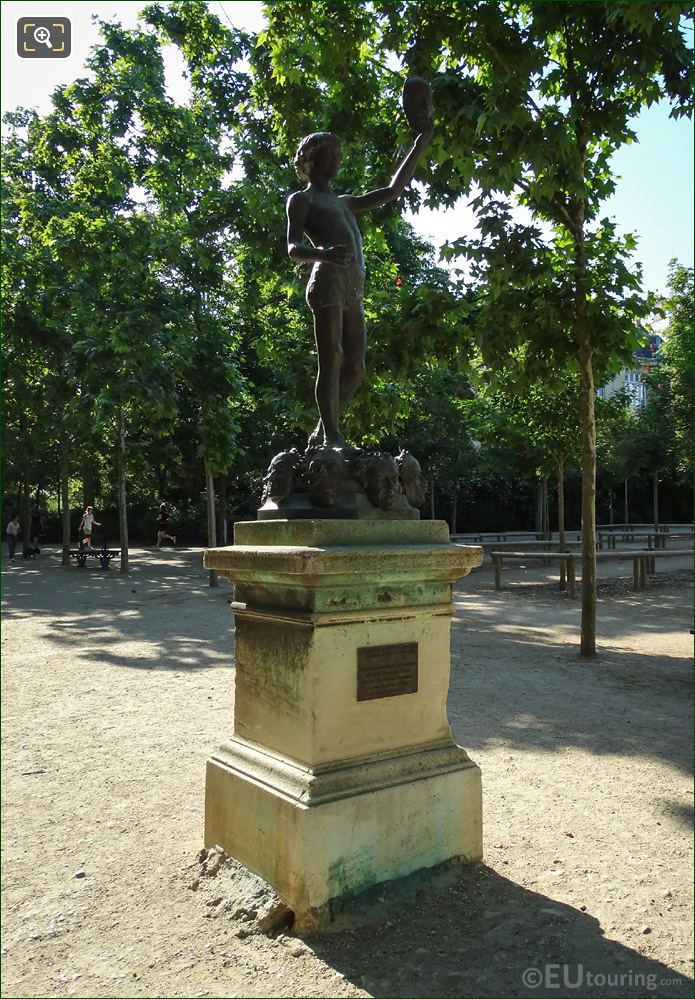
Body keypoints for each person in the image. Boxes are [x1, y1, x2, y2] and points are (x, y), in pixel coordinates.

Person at [287, 125, 433, 448]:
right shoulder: (301, 200)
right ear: (315, 159)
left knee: (356, 368)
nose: (338, 160)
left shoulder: (345, 202)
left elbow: (393, 190)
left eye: (339, 155)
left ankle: (323, 433)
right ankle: (333, 437)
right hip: (328, 283)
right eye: (333, 155)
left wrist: (420, 142)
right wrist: (321, 254)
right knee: (333, 358)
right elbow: (292, 248)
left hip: (353, 287)